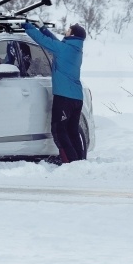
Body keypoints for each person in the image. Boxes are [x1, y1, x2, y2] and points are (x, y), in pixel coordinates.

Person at [22, 21, 87, 163]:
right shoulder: (74, 49)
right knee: (72, 131)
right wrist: (43, 28)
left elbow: (44, 41)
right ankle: (80, 161)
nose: (66, 31)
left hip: (64, 97)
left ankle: (69, 161)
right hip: (76, 98)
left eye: (69, 30)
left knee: (59, 130)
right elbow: (54, 42)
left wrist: (27, 26)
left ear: (73, 35)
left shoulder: (64, 49)